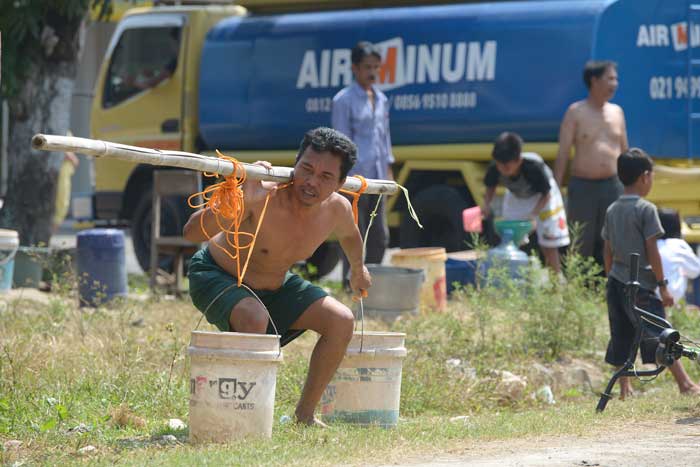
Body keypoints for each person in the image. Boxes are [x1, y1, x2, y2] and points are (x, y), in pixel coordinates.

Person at [184, 127, 372, 426]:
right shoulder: (263, 194)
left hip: (275, 286)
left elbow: (351, 236)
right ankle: (245, 418)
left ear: (339, 184)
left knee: (341, 320)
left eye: (325, 177)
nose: (311, 182)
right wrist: (242, 198)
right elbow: (192, 232)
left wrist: (358, 268)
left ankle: (304, 416)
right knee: (253, 316)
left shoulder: (338, 209)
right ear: (295, 165)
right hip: (216, 274)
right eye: (306, 169)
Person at [601, 148, 700, 399]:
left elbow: (607, 249)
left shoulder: (612, 209)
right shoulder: (646, 209)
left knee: (622, 334)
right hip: (641, 285)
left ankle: (625, 390)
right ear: (645, 177)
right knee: (661, 334)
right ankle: (685, 384)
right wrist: (663, 285)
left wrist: (611, 276)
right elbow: (651, 250)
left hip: (616, 283)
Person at [555, 60, 628, 266]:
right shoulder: (576, 112)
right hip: (583, 187)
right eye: (610, 78)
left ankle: (612, 290)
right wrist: (555, 191)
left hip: (613, 186)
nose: (615, 83)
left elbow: (625, 152)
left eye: (616, 79)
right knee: (580, 241)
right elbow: (563, 154)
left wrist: (630, 188)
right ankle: (578, 291)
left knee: (613, 240)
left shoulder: (617, 112)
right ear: (594, 80)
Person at [332, 41, 393, 285]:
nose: (372, 72)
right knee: (353, 234)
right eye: (367, 67)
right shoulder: (343, 100)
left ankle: (373, 282)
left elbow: (385, 137)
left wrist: (389, 169)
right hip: (354, 179)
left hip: (377, 177)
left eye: (376, 67)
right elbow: (340, 143)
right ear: (355, 68)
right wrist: (343, 177)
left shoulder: (381, 99)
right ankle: (351, 284)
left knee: (380, 236)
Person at [482, 132, 570, 274]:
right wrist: (486, 204)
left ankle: (556, 280)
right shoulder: (495, 168)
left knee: (548, 243)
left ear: (519, 160)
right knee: (510, 236)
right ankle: (517, 275)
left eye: (507, 167)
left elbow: (546, 193)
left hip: (543, 197)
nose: (503, 170)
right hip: (517, 196)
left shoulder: (533, 167)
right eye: (500, 166)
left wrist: (534, 215)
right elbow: (490, 186)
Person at [657, 208, 700, 304]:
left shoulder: (651, 244)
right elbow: (695, 271)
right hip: (671, 295)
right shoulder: (678, 244)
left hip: (651, 294)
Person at [53, 131, 80, 232]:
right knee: (62, 201)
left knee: (63, 202)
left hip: (66, 170)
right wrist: (71, 157)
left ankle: (54, 229)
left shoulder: (65, 128)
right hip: (61, 170)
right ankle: (53, 229)